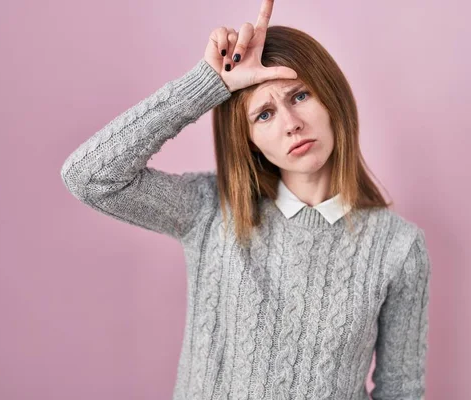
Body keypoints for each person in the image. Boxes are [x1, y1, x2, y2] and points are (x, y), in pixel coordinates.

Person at [60, 0, 431, 398]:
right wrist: (208, 86)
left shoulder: (398, 247)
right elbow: (90, 176)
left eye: (300, 96)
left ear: (332, 97)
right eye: (264, 115)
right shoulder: (211, 212)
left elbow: (400, 390)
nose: (292, 124)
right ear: (248, 139)